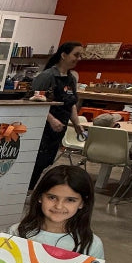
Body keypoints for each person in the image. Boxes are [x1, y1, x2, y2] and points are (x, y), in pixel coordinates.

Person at [28, 42, 85, 190]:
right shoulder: (47, 77)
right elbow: (34, 103)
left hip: (59, 128)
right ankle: (26, 190)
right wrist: (52, 120)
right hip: (43, 127)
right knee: (36, 161)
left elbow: (71, 102)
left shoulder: (71, 79)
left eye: (80, 55)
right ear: (64, 55)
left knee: (46, 161)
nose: (78, 58)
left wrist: (77, 124)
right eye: (76, 55)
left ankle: (30, 189)